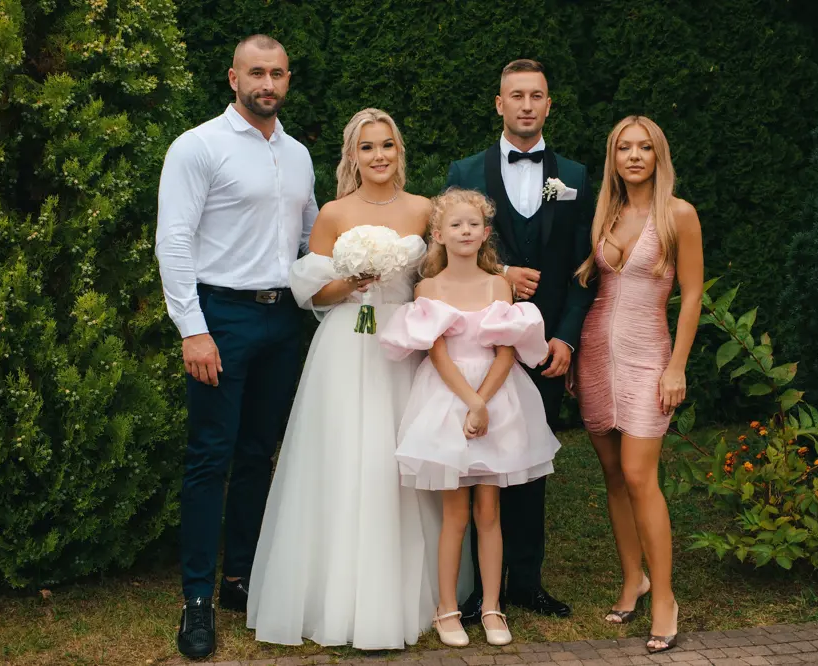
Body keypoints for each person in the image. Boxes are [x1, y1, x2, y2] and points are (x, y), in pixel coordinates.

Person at [246, 108, 443, 650]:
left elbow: (442, 274)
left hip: (402, 343)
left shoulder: (424, 208)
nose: (379, 156)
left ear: (399, 151)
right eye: (367, 147)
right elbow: (313, 291)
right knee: (342, 458)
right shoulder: (334, 213)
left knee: (396, 459)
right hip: (345, 345)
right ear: (352, 156)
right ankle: (332, 596)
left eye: (387, 145)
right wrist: (354, 281)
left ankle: (408, 594)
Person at [155, 34, 318, 660]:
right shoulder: (198, 146)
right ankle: (196, 597)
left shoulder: (298, 155)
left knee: (257, 455)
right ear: (233, 78)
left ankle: (239, 579)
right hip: (220, 317)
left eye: (277, 73)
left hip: (282, 321)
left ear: (287, 79)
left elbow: (309, 239)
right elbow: (174, 240)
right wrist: (192, 328)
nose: (267, 84)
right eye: (256, 73)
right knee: (210, 458)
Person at [445, 59, 594, 621]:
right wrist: (501, 274)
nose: (526, 105)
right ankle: (475, 591)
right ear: (499, 103)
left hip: (546, 350)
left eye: (536, 96)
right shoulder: (465, 170)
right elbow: (449, 251)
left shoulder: (575, 176)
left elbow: (584, 270)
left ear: (548, 105)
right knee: (477, 462)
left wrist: (566, 339)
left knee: (531, 464)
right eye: (516, 95)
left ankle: (527, 581)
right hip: (478, 350)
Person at [380, 188, 560, 647]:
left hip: (496, 396)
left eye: (473, 224)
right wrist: (470, 403)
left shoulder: (498, 285)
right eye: (455, 225)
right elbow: (437, 354)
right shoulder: (428, 289)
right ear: (439, 234)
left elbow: (507, 351)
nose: (465, 231)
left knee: (489, 510)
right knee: (455, 513)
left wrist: (484, 402)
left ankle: (493, 607)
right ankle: (447, 609)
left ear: (485, 234)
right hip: (448, 398)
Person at [572, 115, 703, 654]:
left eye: (643, 147)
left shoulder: (679, 215)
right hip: (595, 354)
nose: (633, 156)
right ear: (613, 157)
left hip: (650, 355)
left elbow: (692, 295)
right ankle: (634, 581)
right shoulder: (604, 213)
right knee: (613, 475)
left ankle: (665, 598)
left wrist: (677, 366)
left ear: (657, 155)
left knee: (638, 473)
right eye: (623, 147)